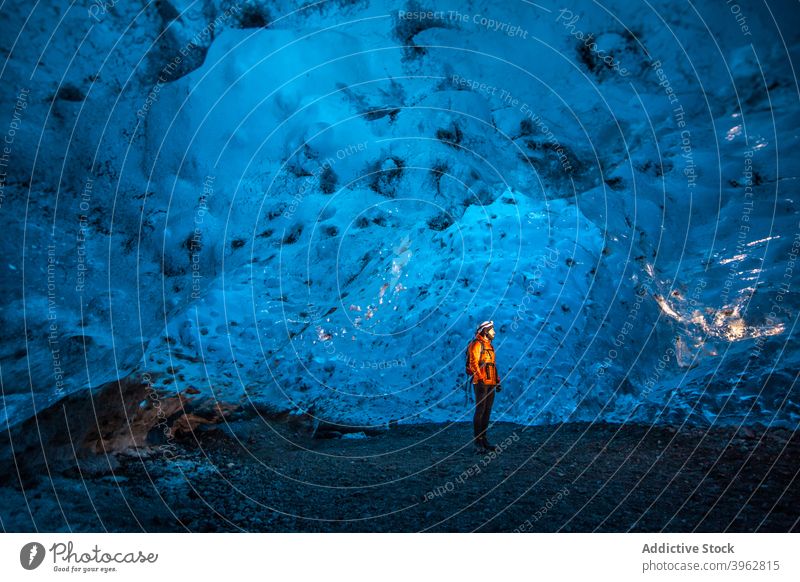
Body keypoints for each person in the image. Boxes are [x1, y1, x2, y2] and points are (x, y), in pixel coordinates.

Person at [466, 320, 502, 452]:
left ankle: (484, 439)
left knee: (487, 410)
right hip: (481, 382)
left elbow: (492, 365)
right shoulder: (476, 344)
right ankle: (478, 441)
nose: (494, 332)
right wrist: (480, 378)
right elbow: (473, 363)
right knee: (480, 410)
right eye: (492, 330)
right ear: (486, 331)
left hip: (490, 382)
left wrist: (496, 380)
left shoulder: (490, 346)